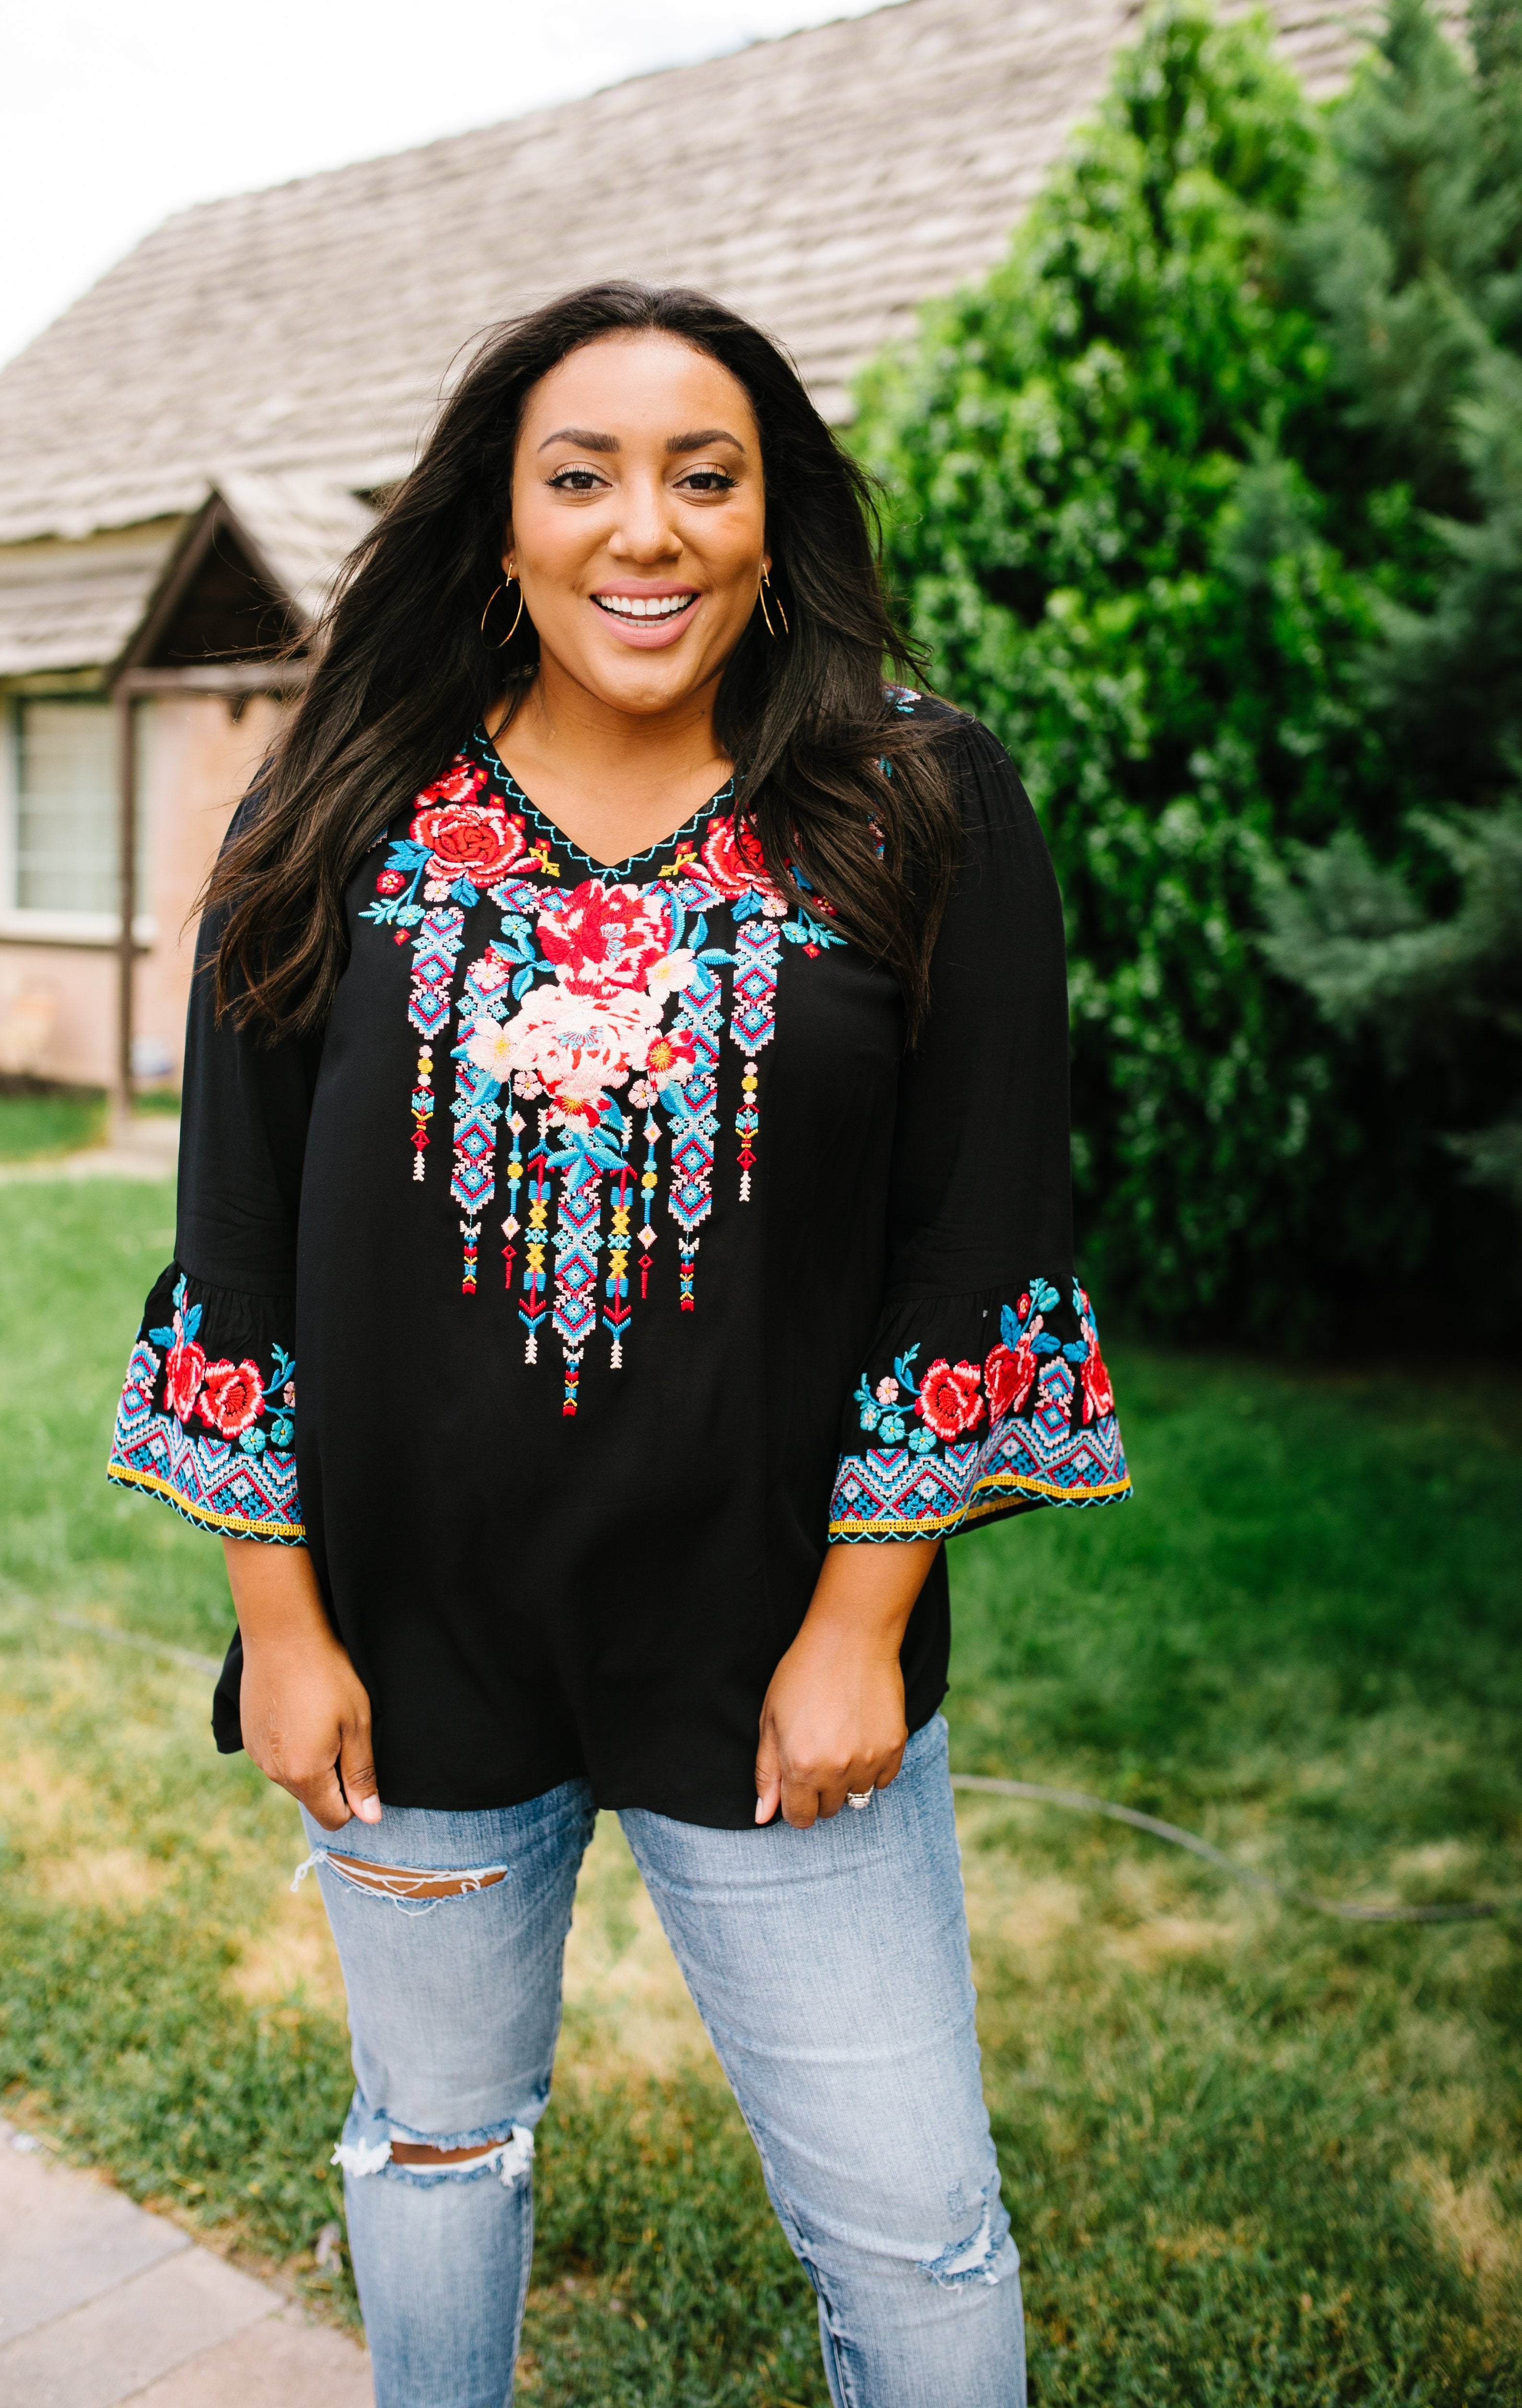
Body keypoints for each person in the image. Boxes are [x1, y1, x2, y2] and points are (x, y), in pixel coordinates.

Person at [107, 281, 1131, 2408]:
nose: (641, 530)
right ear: (502, 527)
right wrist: (279, 1626)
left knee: (915, 2227)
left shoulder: (916, 805)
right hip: (412, 1649)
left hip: (777, 1663)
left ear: (774, 525)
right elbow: (231, 1258)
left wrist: (864, 1623)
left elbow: (980, 1249)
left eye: (703, 475)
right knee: (435, 2143)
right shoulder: (339, 818)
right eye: (582, 478)